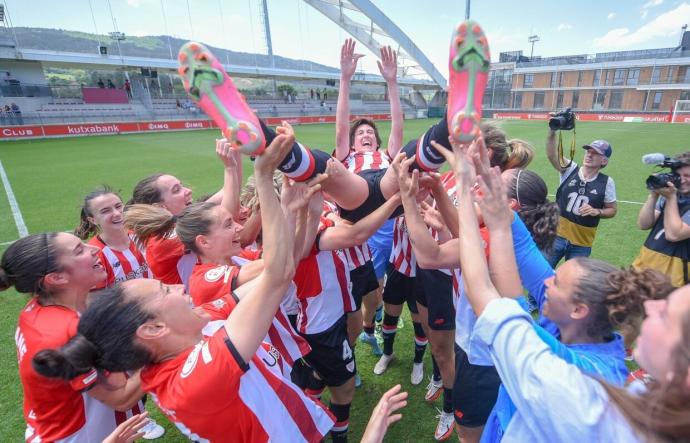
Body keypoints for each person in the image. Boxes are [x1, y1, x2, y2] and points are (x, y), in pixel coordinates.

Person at [32, 128, 337, 442]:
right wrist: (263, 179)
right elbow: (276, 274)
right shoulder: (196, 379)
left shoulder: (194, 325)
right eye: (165, 291)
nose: (178, 288)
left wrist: (290, 206)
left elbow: (279, 271)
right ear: (153, 329)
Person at [450, 128, 690, 442]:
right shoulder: (571, 326)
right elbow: (521, 247)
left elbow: (483, 288)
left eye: (666, 314)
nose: (653, 306)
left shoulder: (574, 387)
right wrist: (496, 203)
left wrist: (466, 194)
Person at [1, 233, 146, 442]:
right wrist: (164, 349)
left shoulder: (37, 309)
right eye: (79, 250)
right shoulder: (68, 332)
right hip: (83, 435)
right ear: (56, 278)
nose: (95, 249)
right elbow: (121, 397)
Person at [546, 131, 617, 267]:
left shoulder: (607, 182)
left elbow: (612, 210)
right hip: (556, 236)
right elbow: (552, 155)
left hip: (581, 244)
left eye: (595, 153)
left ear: (604, 160)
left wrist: (598, 212)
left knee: (573, 282)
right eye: (588, 151)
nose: (589, 154)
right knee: (541, 275)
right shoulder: (570, 169)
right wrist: (552, 132)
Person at [75, 186, 152, 288]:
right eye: (105, 211)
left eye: (118, 206)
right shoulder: (94, 254)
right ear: (93, 220)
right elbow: (93, 299)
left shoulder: (144, 235)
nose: (116, 213)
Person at [633, 151, 690, 287]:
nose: (681, 180)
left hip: (674, 278)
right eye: (678, 175)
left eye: (687, 176)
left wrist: (671, 198)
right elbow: (643, 224)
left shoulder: (671, 196)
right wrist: (654, 195)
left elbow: (674, 234)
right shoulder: (671, 194)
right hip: (645, 267)